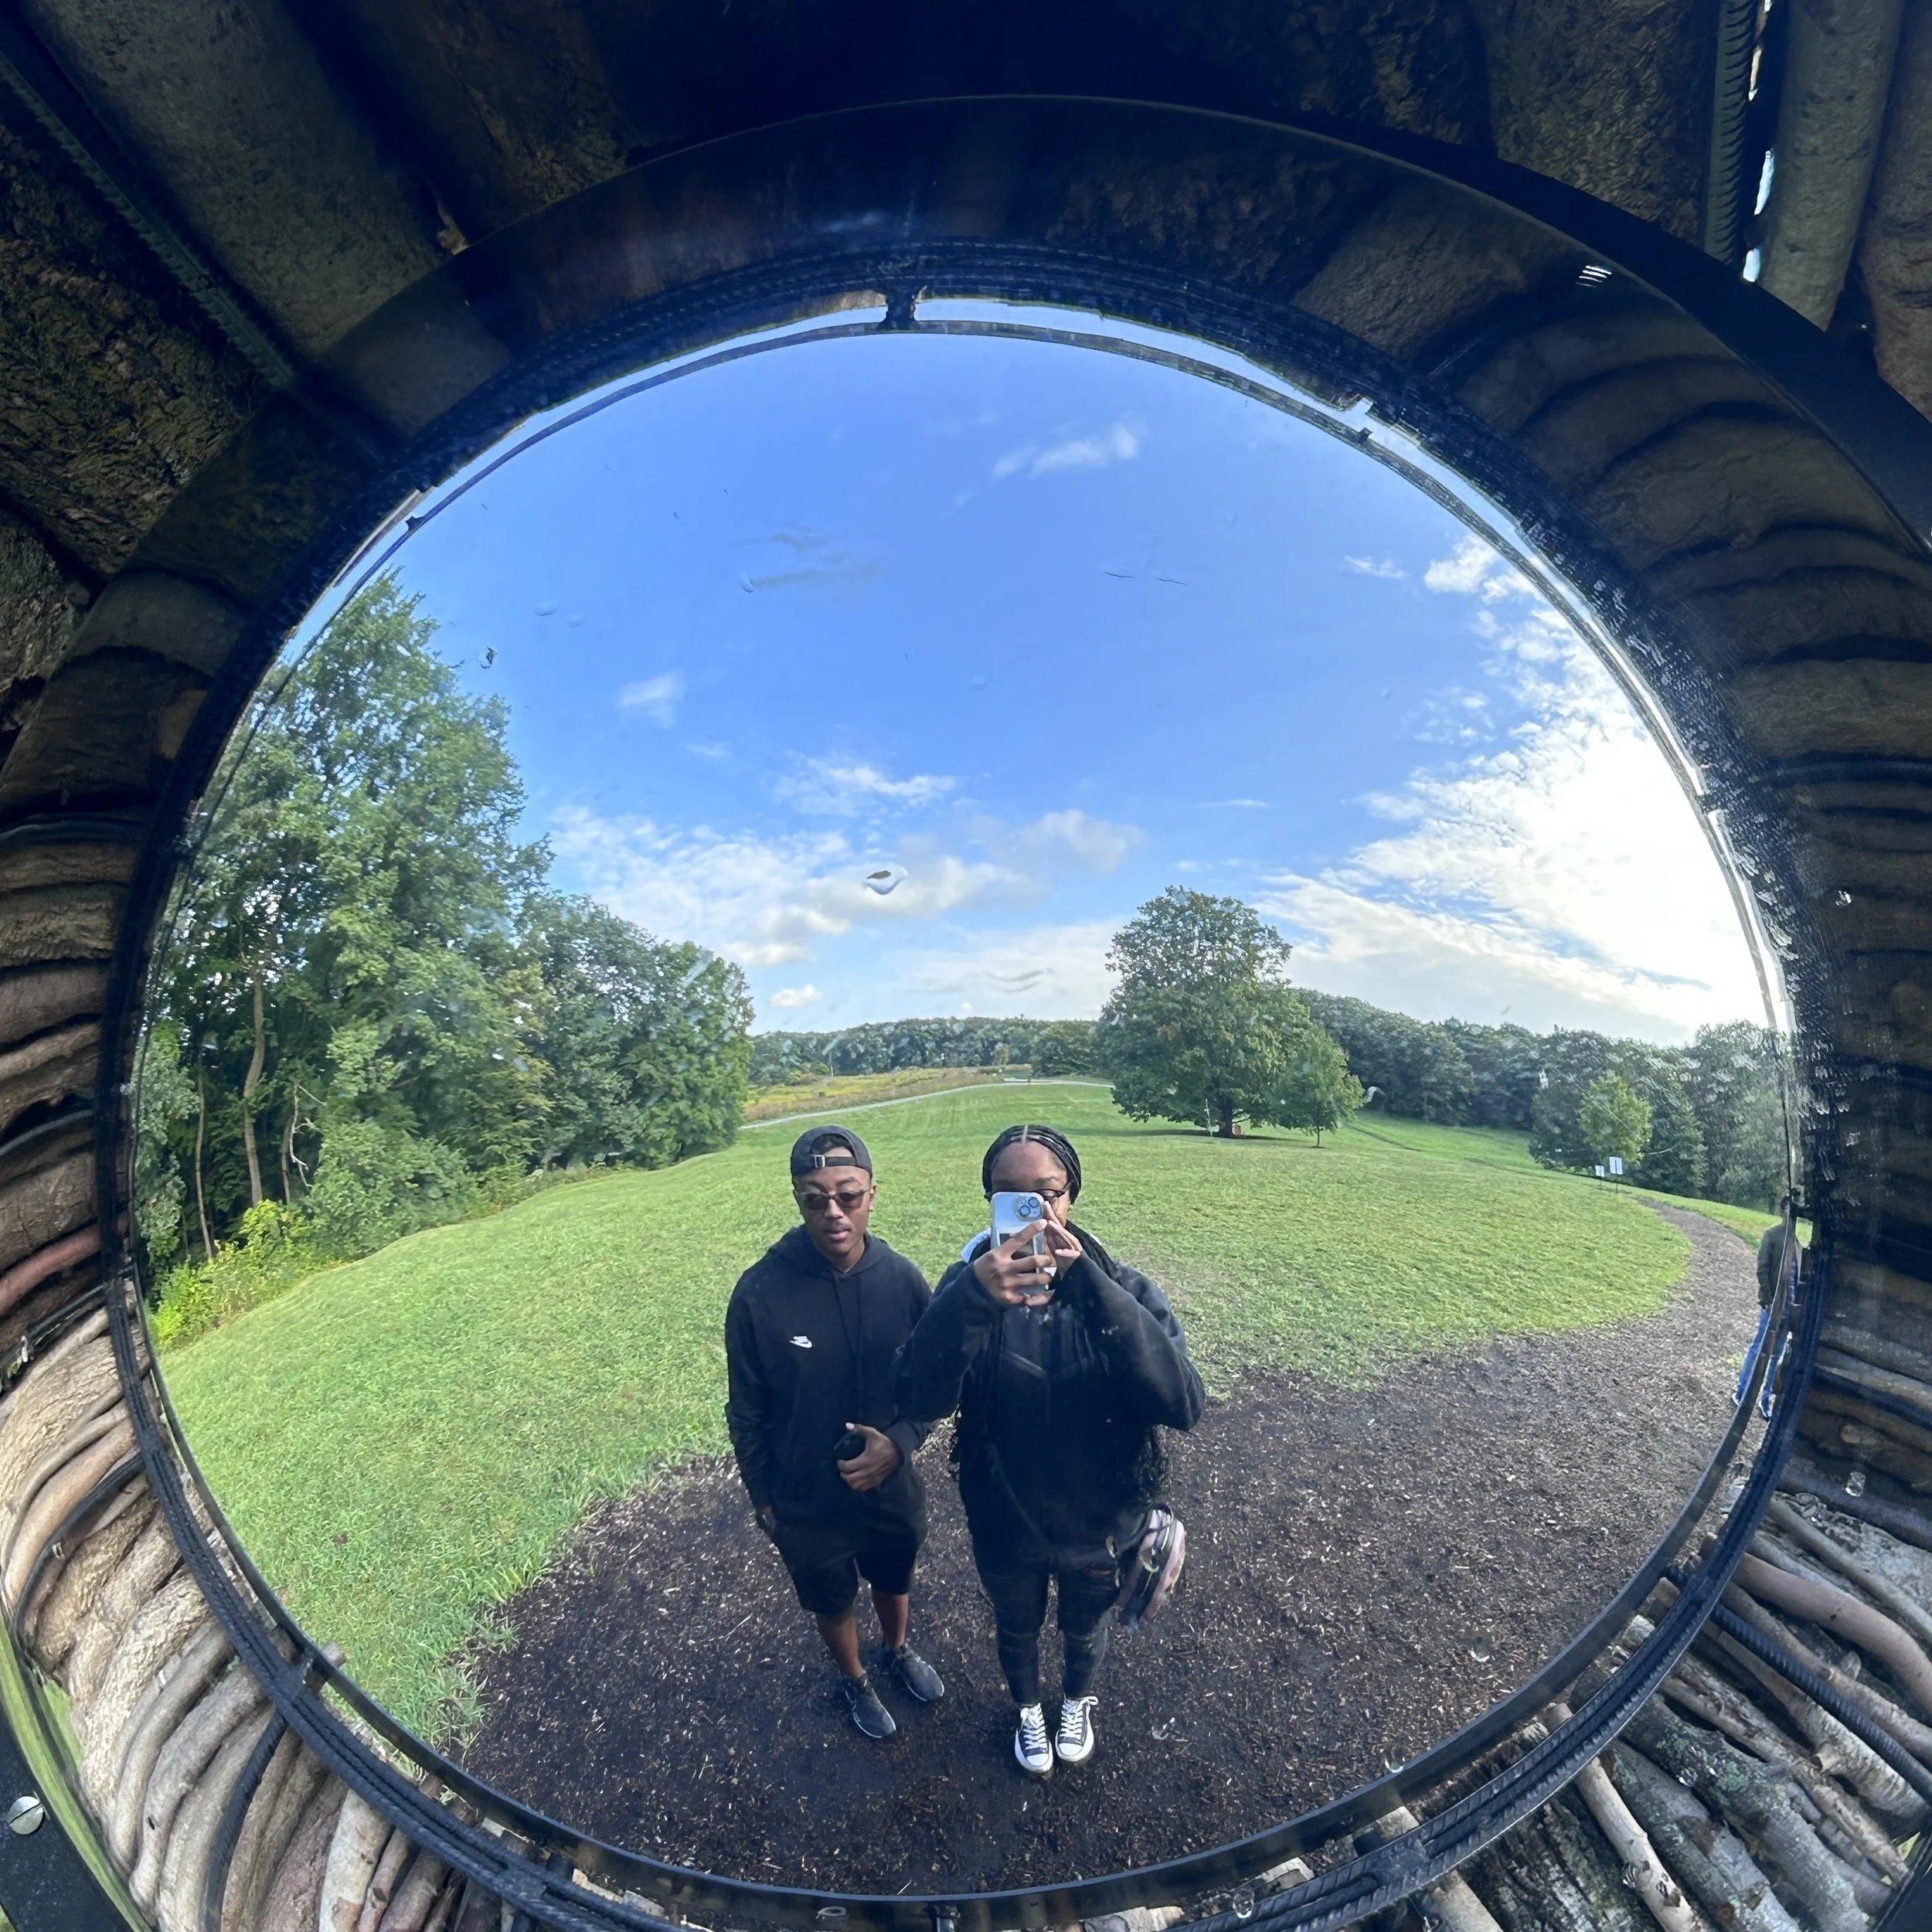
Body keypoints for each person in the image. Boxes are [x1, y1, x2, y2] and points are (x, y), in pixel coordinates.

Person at [894, 1124, 1204, 1776]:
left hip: (1101, 1521)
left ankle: (1075, 1702)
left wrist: (1087, 1285)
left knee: (1085, 1626)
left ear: (1071, 1198)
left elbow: (1182, 1403)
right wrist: (974, 1299)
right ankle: (1028, 1709)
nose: (1032, 1213)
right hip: (1006, 1519)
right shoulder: (965, 1284)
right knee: (1017, 1625)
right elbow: (918, 1397)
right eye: (1010, 1197)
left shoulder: (1122, 1287)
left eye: (1046, 1194)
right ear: (989, 1202)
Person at [725, 1125, 945, 1738]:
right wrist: (764, 1502)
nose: (834, 1213)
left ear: (873, 1194)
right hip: (805, 1497)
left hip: (892, 1485)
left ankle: (896, 1650)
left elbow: (936, 1386)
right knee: (831, 1598)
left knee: (894, 1578)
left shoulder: (903, 1281)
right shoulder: (759, 1293)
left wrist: (900, 1443)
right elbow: (745, 1410)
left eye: (848, 1195)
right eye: (814, 1199)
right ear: (798, 1200)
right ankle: (855, 1679)